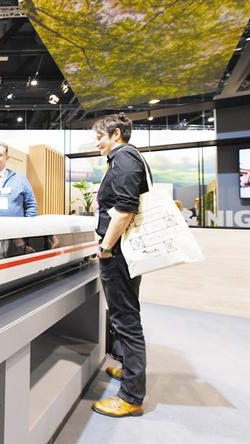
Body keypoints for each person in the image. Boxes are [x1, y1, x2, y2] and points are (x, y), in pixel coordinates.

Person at [91, 112, 151, 418]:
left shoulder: (124, 158)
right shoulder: (125, 159)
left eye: (100, 136)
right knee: (124, 316)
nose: (97, 142)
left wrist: (105, 248)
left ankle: (131, 396)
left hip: (118, 254)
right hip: (122, 253)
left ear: (116, 134)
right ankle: (129, 371)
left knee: (126, 321)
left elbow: (125, 210)